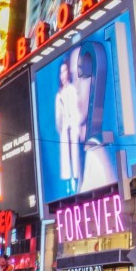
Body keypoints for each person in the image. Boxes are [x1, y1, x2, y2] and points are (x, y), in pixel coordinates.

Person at [54, 57, 83, 195]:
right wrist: (62, 126)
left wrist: (74, 125)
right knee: (66, 159)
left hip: (74, 128)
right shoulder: (58, 95)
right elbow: (57, 118)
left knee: (75, 156)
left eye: (65, 71)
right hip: (65, 131)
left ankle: (76, 181)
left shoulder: (72, 90)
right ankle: (68, 187)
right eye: (61, 72)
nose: (63, 74)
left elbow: (77, 110)